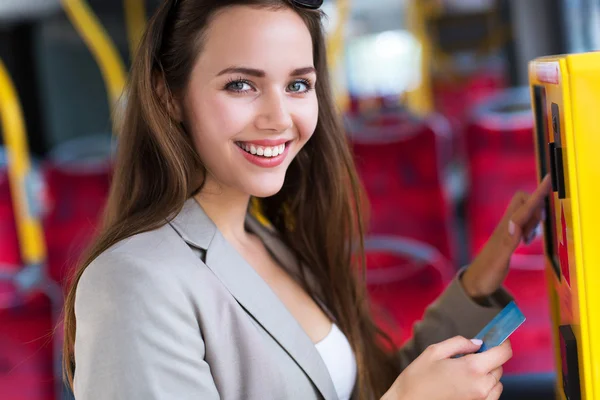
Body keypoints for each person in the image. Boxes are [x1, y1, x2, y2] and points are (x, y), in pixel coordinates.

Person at [61, 0, 552, 399]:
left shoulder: (270, 242)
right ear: (168, 95)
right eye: (241, 84)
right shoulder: (132, 282)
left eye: (298, 84)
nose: (279, 117)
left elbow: (367, 389)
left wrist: (492, 263)